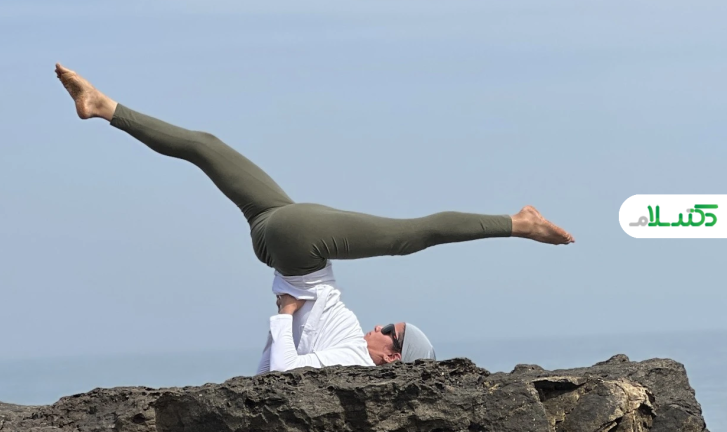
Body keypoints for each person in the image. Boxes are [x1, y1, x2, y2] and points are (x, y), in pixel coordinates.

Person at [54, 63, 574, 374]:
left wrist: (283, 315)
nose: (377, 324)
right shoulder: (341, 354)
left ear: (392, 358)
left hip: (301, 246)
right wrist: (282, 315)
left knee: (411, 235)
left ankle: (519, 223)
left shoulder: (353, 360)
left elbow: (279, 371)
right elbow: (271, 375)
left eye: (388, 330)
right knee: (206, 147)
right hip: (277, 241)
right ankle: (103, 106)